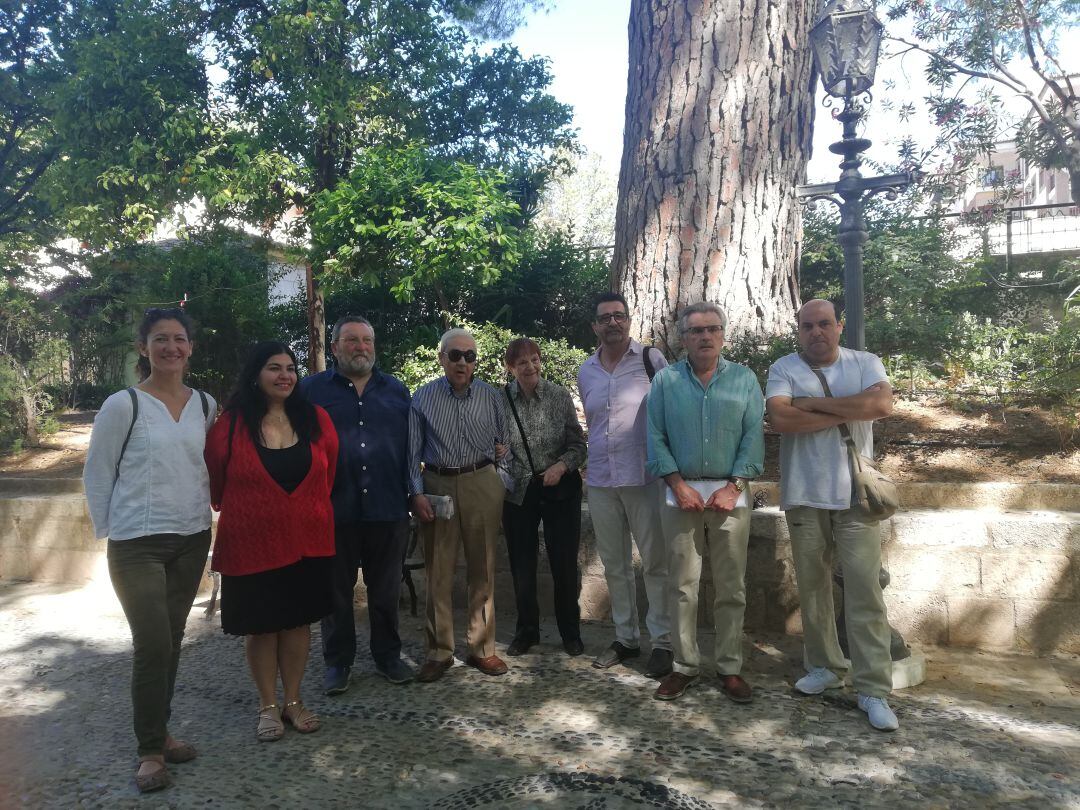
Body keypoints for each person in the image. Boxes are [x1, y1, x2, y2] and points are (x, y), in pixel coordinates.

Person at [83, 307, 217, 793]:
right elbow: (98, 473)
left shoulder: (205, 404)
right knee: (153, 642)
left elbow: (212, 464)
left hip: (190, 537)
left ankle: (160, 733)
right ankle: (149, 751)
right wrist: (111, 531)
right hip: (136, 543)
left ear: (190, 348)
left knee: (173, 639)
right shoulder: (124, 405)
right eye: (160, 339)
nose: (171, 348)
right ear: (144, 348)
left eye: (179, 339)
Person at [765, 299, 899, 732]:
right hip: (804, 495)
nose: (816, 332)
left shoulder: (866, 362)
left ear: (839, 326)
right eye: (808, 326)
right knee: (813, 590)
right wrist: (846, 405)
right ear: (798, 331)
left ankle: (873, 688)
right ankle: (825, 667)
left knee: (865, 592)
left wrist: (812, 404)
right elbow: (781, 419)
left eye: (825, 324)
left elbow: (881, 407)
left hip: (855, 497)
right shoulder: (783, 367)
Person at [204, 342, 339, 742]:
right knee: (262, 628)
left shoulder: (316, 419)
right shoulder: (229, 426)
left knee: (298, 624)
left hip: (307, 542)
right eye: (273, 368)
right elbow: (216, 481)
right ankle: (267, 706)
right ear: (255, 375)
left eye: (290, 368)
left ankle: (294, 701)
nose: (284, 375)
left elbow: (327, 475)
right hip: (252, 544)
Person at [646, 302, 764, 703]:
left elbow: (753, 437)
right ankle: (684, 665)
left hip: (731, 496)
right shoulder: (665, 381)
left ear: (723, 334)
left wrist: (735, 486)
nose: (705, 337)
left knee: (731, 586)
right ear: (683, 338)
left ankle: (729, 667)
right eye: (696, 331)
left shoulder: (745, 379)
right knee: (682, 585)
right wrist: (677, 484)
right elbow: (655, 435)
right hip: (681, 495)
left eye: (713, 329)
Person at [300, 315, 415, 694]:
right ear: (334, 347)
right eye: (351, 340)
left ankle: (387, 656)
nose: (360, 347)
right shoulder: (310, 392)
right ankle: (338, 662)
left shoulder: (397, 391)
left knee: (385, 590)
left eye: (367, 340)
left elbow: (412, 451)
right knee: (335, 593)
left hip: (388, 507)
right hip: (333, 510)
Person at [577, 291, 673, 678]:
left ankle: (663, 642)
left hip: (645, 477)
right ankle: (626, 638)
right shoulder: (587, 370)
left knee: (655, 563)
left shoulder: (652, 361)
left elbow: (668, 414)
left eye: (619, 316)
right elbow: (594, 423)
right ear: (595, 326)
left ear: (629, 320)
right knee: (614, 565)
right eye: (605, 318)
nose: (612, 323)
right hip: (600, 479)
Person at [409, 328, 509, 682]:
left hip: (481, 481)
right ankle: (439, 651)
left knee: (483, 566)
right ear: (441, 358)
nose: (462, 362)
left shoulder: (491, 396)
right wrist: (416, 493)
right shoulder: (422, 398)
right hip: (438, 483)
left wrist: (500, 474)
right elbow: (411, 453)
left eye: (469, 356)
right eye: (455, 355)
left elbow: (504, 440)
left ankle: (482, 649)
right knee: (439, 569)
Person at [500, 337, 588, 657]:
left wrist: (561, 466)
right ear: (510, 368)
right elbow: (493, 444)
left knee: (563, 563)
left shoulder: (558, 395)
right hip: (519, 491)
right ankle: (527, 631)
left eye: (535, 359)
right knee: (521, 564)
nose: (530, 366)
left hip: (558, 488)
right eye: (522, 362)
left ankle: (570, 632)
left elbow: (578, 445)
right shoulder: (500, 401)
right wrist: (498, 452)